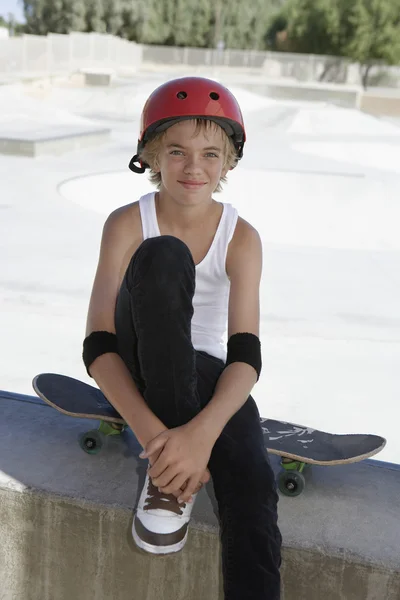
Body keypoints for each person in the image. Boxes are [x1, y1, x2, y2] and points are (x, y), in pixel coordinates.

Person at [82, 76, 282, 599]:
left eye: (210, 153)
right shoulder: (127, 224)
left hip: (206, 373)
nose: (195, 167)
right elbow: (98, 343)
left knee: (254, 481)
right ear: (151, 155)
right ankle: (167, 481)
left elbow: (246, 354)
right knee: (165, 255)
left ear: (230, 162)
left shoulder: (242, 238)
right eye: (177, 151)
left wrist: (202, 437)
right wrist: (158, 440)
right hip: (139, 357)